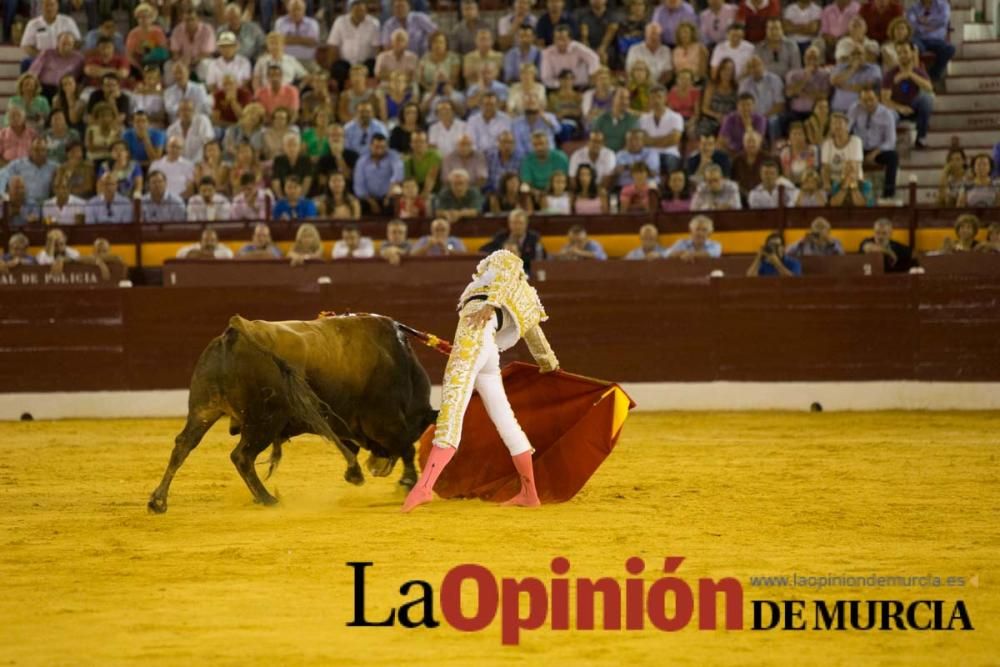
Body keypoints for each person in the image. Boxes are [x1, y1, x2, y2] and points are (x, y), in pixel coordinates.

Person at [401, 248, 560, 513]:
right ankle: (529, 492)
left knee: (453, 408)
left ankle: (425, 487)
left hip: (475, 333)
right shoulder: (526, 299)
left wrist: (490, 304)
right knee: (506, 420)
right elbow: (538, 341)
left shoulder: (503, 261)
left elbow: (508, 268)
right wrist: (550, 365)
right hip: (487, 348)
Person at [848, 86, 898, 199]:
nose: (868, 103)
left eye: (871, 99)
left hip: (877, 149)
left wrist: (875, 153)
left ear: (878, 99)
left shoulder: (887, 114)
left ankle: (889, 194)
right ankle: (849, 191)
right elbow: (847, 129)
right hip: (859, 147)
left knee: (893, 157)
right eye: (865, 100)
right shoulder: (855, 109)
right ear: (860, 100)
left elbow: (891, 141)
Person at [479, 208, 547, 272]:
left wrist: (518, 258)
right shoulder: (501, 237)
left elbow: (541, 257)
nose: (517, 226)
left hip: (526, 273)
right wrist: (501, 253)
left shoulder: (533, 238)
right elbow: (483, 249)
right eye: (514, 223)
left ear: (526, 224)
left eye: (520, 223)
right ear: (509, 223)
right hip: (503, 273)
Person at [905, 0, 953, 84]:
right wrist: (925, 27)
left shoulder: (943, 5)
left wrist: (924, 20)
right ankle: (914, 75)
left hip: (937, 40)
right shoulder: (914, 8)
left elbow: (943, 20)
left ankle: (933, 75)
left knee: (950, 49)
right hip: (919, 39)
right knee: (912, 46)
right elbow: (911, 23)